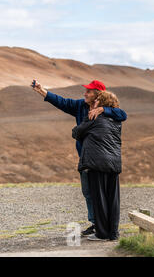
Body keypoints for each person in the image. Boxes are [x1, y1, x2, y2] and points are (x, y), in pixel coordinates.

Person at [31, 79, 127, 237]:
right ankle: (97, 223)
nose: (85, 93)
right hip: (89, 158)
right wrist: (42, 91)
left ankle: (102, 228)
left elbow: (123, 114)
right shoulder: (80, 106)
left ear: (97, 95)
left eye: (89, 91)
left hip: (96, 160)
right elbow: (62, 102)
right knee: (89, 192)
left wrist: (103, 109)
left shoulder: (109, 111)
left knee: (99, 194)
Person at [72, 91, 123, 241]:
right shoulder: (116, 120)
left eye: (98, 100)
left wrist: (89, 116)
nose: (94, 103)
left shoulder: (94, 117)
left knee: (99, 199)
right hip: (113, 164)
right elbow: (122, 114)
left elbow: (76, 132)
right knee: (113, 200)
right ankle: (113, 234)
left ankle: (101, 233)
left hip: (96, 163)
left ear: (102, 103)